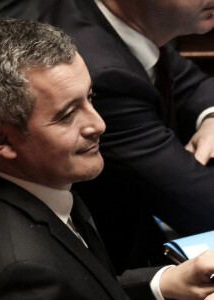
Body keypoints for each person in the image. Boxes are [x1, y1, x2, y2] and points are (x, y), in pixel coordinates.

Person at [0, 17, 214, 300]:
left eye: (90, 97)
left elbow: (86, 286)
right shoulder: (28, 274)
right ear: (2, 140)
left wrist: (161, 283)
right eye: (67, 115)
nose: (98, 124)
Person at [39, 0, 214, 273]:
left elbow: (190, 82)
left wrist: (211, 118)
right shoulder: (101, 71)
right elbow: (204, 208)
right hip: (122, 267)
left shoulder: (115, 19)